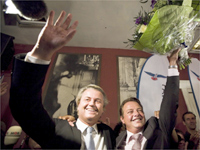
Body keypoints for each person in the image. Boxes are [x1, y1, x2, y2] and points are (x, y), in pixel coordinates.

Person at [9, 10, 115, 149]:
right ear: (77, 105)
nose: (92, 103)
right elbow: (25, 107)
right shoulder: (57, 128)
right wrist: (42, 52)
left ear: (103, 109)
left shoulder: (111, 135)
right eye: (87, 99)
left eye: (98, 101)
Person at [116, 49, 180, 149]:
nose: (136, 114)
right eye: (130, 111)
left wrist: (172, 64)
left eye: (139, 110)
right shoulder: (115, 141)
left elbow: (170, 102)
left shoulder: (158, 129)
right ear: (122, 119)